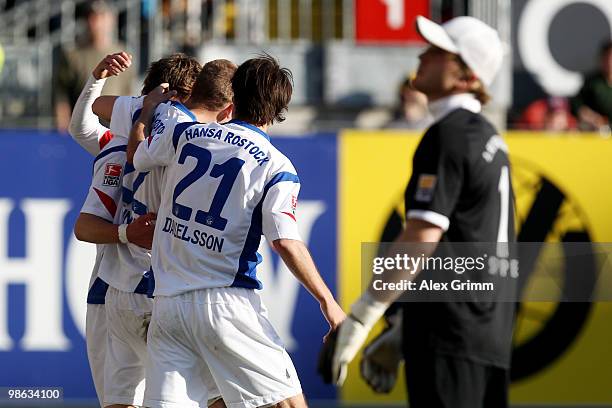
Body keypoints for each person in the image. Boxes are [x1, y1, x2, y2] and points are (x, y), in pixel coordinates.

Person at [129, 54, 346, 408]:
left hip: (168, 305)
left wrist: (145, 114)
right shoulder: (276, 167)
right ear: (279, 109)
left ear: (235, 97)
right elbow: (285, 241)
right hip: (225, 303)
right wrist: (328, 302)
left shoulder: (186, 134)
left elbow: (138, 157)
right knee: (287, 403)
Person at [323, 16, 517, 408]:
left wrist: (363, 315)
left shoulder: (448, 134)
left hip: (450, 334)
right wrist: (407, 327)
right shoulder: (486, 135)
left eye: (439, 51)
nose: (422, 54)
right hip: (485, 333)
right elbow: (471, 244)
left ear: (467, 77)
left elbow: (421, 238)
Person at [69, 52, 207, 408]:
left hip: (119, 286)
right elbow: (85, 225)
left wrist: (98, 78)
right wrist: (127, 233)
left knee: (125, 399)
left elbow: (84, 123)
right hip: (140, 284)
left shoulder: (122, 141)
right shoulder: (178, 144)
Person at [54, 0, 135, 131]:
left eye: (101, 16)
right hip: (82, 128)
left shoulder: (123, 54)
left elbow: (128, 93)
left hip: (113, 128)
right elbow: (61, 94)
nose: (95, 22)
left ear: (111, 20)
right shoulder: (72, 55)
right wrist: (63, 125)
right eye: (91, 17)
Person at [571, 40, 612, 132]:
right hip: (597, 133)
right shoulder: (593, 82)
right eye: (607, 58)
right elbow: (577, 105)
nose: (610, 62)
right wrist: (593, 118)